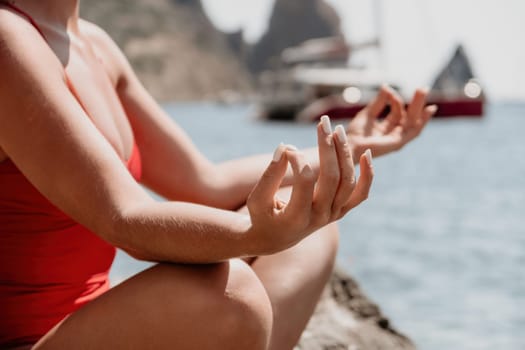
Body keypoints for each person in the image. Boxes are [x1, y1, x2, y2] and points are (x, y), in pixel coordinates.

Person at [0, 1, 437, 349]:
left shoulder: (94, 44)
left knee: (312, 238)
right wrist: (251, 235)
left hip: (95, 325)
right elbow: (124, 220)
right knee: (231, 299)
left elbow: (202, 183)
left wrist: (353, 144)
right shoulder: (8, 38)